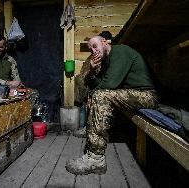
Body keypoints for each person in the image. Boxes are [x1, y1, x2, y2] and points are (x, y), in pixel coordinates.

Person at [65, 35, 158, 175]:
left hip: (147, 96)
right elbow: (98, 84)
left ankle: (96, 159)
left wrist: (96, 91)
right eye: (91, 49)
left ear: (104, 42)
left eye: (95, 46)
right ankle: (91, 137)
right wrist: (92, 70)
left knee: (99, 95)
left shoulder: (120, 51)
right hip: (130, 94)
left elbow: (109, 85)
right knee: (95, 94)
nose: (93, 51)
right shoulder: (106, 60)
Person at [73, 31, 113, 137]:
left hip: (96, 85)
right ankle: (87, 127)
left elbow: (103, 76)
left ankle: (90, 128)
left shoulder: (107, 55)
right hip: (86, 84)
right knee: (83, 103)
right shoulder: (93, 56)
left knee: (91, 100)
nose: (94, 50)